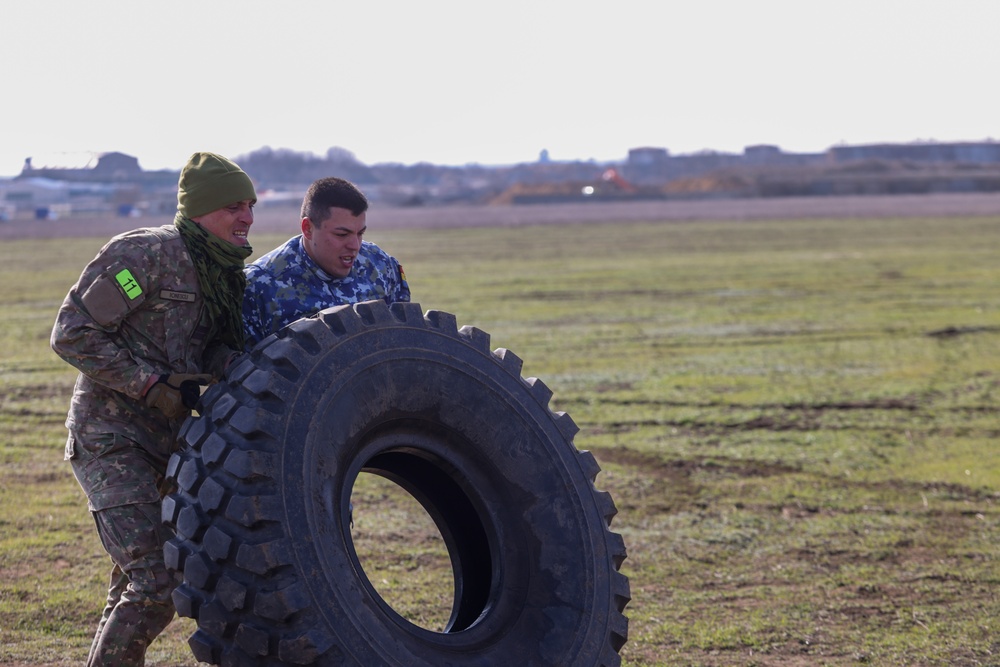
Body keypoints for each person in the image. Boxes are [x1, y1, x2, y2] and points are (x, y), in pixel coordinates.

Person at [50, 152, 257, 666]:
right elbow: (72, 332)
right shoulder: (146, 255)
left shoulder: (225, 275)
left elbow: (207, 348)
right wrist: (147, 384)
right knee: (156, 581)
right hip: (110, 440)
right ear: (203, 209)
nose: (247, 217)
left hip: (168, 449)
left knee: (135, 583)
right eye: (234, 206)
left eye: (251, 206)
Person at [242, 176, 410, 347]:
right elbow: (247, 370)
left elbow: (404, 343)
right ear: (308, 228)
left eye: (360, 233)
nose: (355, 246)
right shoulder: (260, 286)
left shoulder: (382, 267)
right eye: (341, 235)